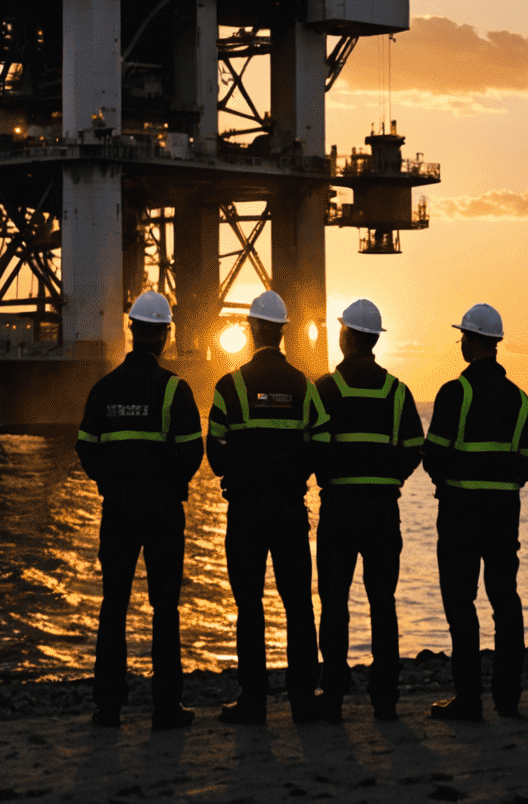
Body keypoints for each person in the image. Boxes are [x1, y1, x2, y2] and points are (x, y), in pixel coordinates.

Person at [76, 290, 205, 731]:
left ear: (132, 332)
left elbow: (86, 449)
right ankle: (166, 707)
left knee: (114, 605)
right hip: (163, 511)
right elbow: (192, 452)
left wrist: (110, 484)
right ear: (165, 335)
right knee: (165, 608)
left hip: (118, 511)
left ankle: (108, 707)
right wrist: (168, 486)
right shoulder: (175, 390)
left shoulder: (105, 388)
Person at [207, 289, 329, 726]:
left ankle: (253, 702)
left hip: (245, 512)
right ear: (281, 332)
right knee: (298, 605)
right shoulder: (304, 386)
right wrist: (293, 473)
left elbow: (215, 451)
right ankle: (302, 700)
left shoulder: (230, 386)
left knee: (249, 606)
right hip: (290, 511)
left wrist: (241, 473)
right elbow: (322, 445)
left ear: (251, 328)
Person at [422, 303, 528, 721]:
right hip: (505, 515)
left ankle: (468, 700)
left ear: (472, 341)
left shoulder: (456, 393)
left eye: (463, 337)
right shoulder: (520, 399)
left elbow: (433, 456)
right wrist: (501, 485)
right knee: (505, 600)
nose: (462, 344)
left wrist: (456, 482)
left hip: (460, 515)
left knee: (461, 603)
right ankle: (509, 698)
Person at [313, 298, 424, 723]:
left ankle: (334, 696)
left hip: (339, 509)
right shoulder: (398, 392)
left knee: (335, 603)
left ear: (348, 337)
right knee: (383, 602)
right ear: (374, 340)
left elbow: (314, 449)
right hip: (382, 511)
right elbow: (414, 449)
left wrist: (331, 477)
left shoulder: (326, 389)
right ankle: (385, 700)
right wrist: (391, 479)